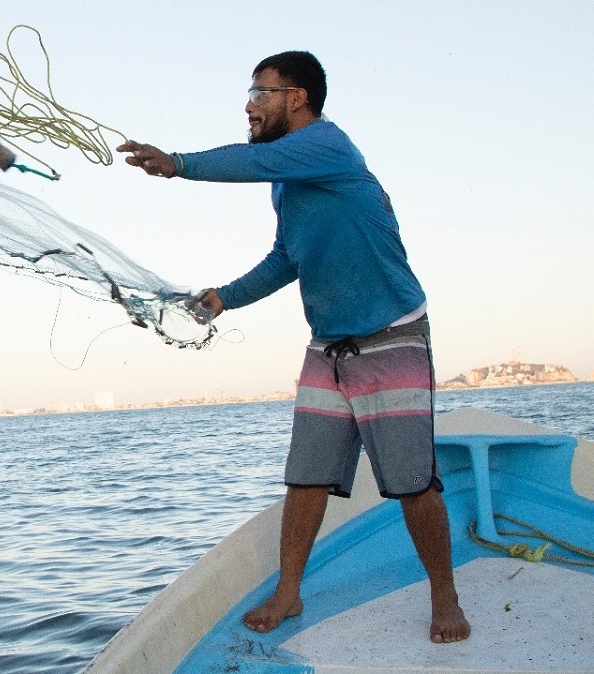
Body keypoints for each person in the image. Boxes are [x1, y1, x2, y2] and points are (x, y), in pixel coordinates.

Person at [117, 51, 469, 644]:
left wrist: (178, 163)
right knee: (306, 477)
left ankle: (445, 596)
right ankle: (289, 591)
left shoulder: (327, 146)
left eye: (261, 93)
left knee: (412, 481)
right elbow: (288, 255)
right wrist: (225, 298)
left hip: (391, 333)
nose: (249, 105)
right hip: (328, 346)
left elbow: (250, 161)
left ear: (297, 97)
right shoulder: (287, 179)